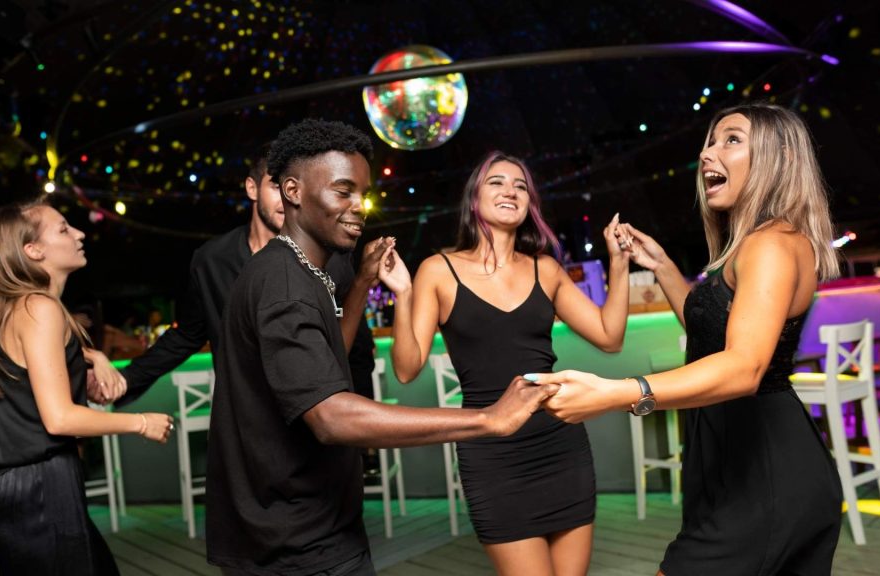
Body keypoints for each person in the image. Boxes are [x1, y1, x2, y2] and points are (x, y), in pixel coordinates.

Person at [206, 119, 559, 575]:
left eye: (362, 193)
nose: (359, 207)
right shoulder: (283, 283)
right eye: (342, 191)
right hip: (293, 543)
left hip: (310, 525)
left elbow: (326, 365)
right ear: (292, 191)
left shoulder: (300, 271)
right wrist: (488, 418)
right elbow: (331, 415)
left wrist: (364, 284)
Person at [529, 103, 843, 575]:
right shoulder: (755, 241)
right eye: (710, 141)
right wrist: (662, 267)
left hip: (766, 478)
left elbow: (744, 367)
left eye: (731, 139)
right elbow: (715, 332)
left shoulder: (771, 243)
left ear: (776, 158)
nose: (708, 153)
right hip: (738, 465)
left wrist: (618, 393)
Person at [387, 151, 630, 575]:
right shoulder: (438, 270)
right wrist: (403, 294)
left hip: (561, 446)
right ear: (474, 199)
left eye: (521, 186)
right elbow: (407, 369)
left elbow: (610, 337)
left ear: (529, 206)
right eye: (497, 182)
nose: (510, 191)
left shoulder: (547, 270)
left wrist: (620, 262)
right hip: (493, 455)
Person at [0, 201, 173, 574]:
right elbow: (59, 418)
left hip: (26, 488)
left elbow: (39, 358)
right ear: (33, 250)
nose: (79, 233)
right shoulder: (39, 308)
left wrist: (91, 356)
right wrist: (141, 422)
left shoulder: (21, 307)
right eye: (64, 229)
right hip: (41, 490)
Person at [115, 144, 384, 407]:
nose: (287, 198)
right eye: (275, 186)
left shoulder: (332, 260)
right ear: (252, 188)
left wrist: (359, 436)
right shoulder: (213, 261)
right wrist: (126, 378)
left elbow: (356, 351)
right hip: (248, 420)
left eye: (295, 188)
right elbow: (186, 335)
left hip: (318, 420)